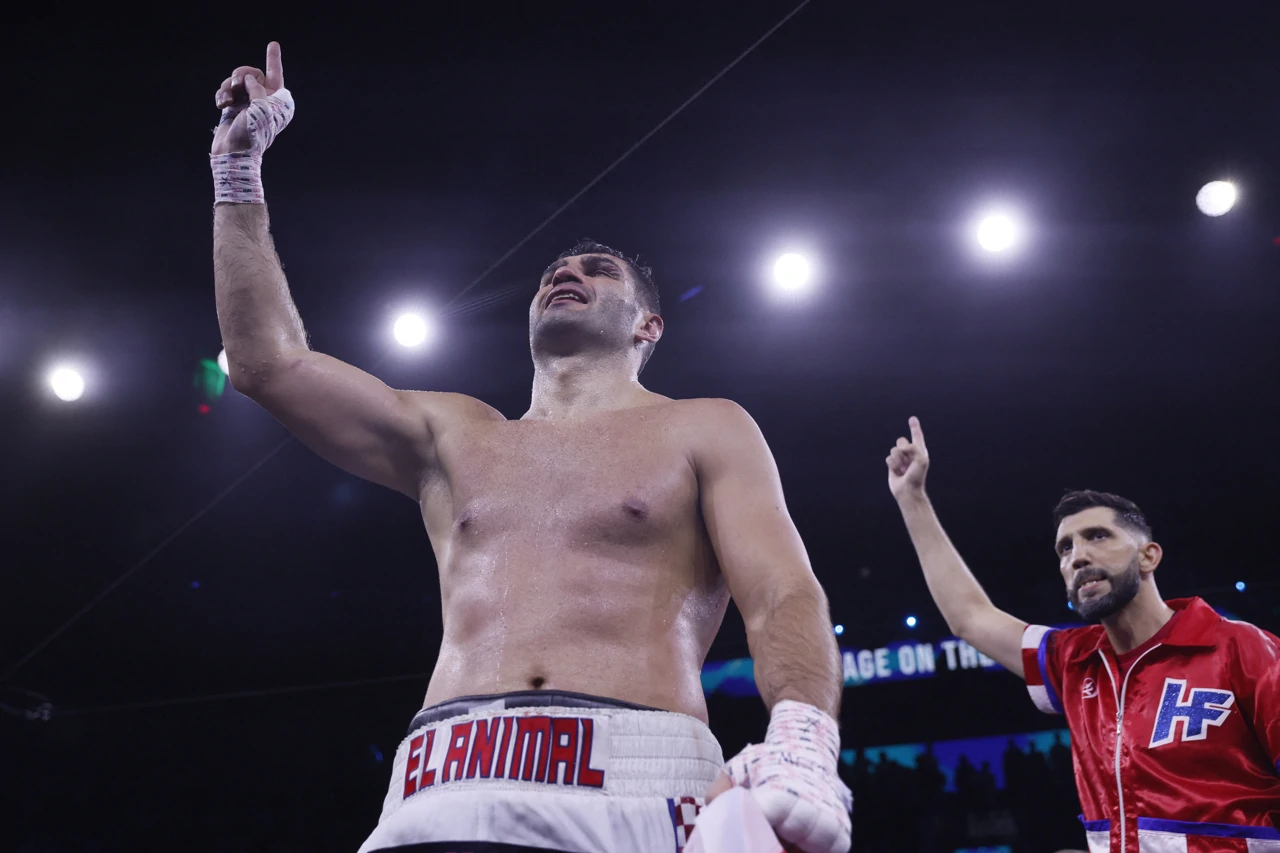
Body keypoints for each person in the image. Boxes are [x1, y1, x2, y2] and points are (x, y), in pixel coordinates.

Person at [209, 42, 851, 853]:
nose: (567, 272)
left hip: (636, 781)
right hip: (440, 784)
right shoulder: (455, 433)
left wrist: (802, 736)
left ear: (648, 327)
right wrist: (238, 175)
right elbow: (269, 364)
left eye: (598, 269)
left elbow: (783, 594)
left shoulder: (707, 425)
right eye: (555, 267)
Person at [886, 417, 1280, 853]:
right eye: (1065, 548)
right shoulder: (1073, 662)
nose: (1078, 556)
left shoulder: (1241, 648)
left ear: (1148, 556)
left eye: (1097, 536)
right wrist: (913, 499)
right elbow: (970, 618)